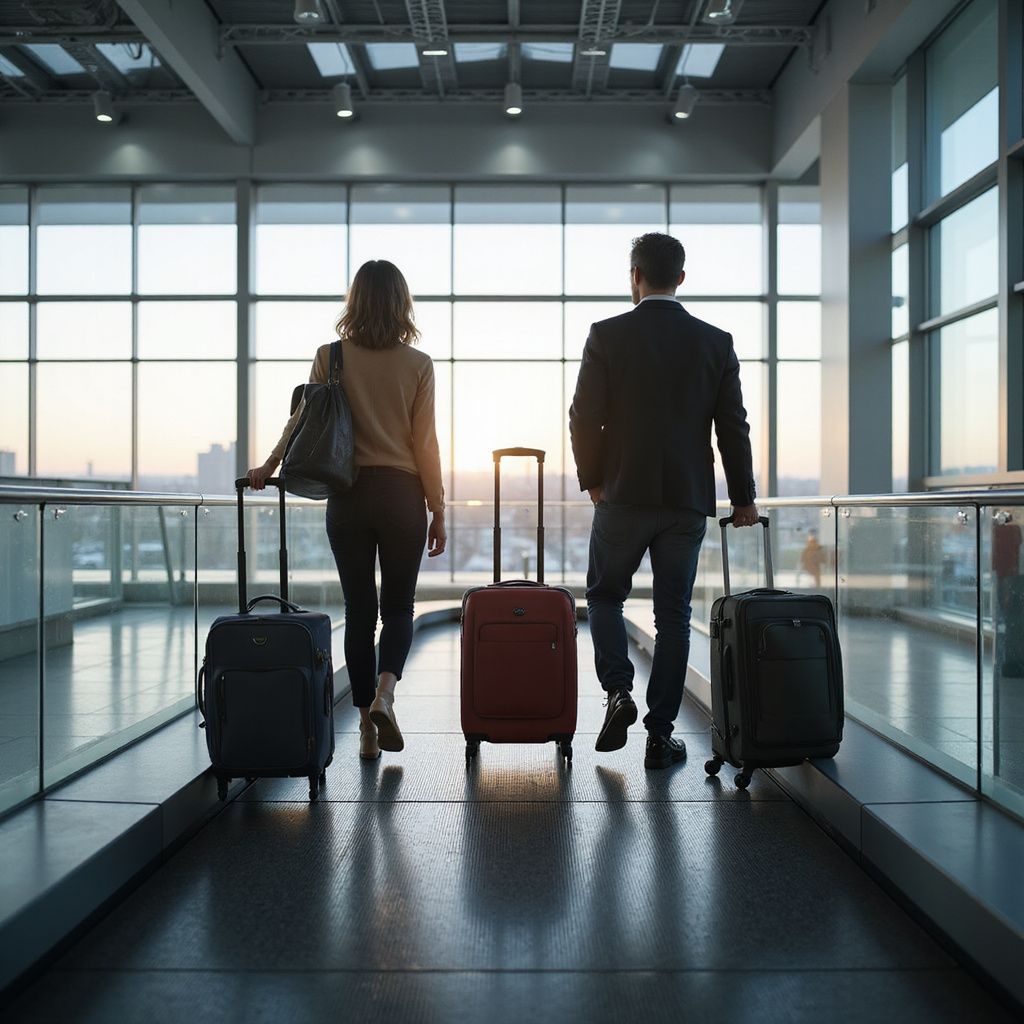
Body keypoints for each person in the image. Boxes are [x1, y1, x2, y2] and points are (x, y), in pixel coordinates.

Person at [569, 232, 758, 770]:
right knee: (673, 617)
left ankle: (618, 693)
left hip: (622, 495)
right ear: (680, 278)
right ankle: (659, 736)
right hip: (684, 501)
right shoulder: (715, 341)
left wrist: (595, 483)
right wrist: (742, 498)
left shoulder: (607, 335)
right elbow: (732, 428)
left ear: (634, 276)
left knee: (605, 598)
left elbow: (583, 416)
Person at [247, 260, 446, 761]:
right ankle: (385, 695)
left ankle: (364, 727)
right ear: (403, 303)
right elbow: (426, 444)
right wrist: (437, 508)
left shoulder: (330, 356)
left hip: (349, 496)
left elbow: (302, 422)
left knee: (360, 612)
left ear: (354, 301)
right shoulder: (418, 365)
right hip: (403, 496)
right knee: (399, 609)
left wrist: (270, 464)